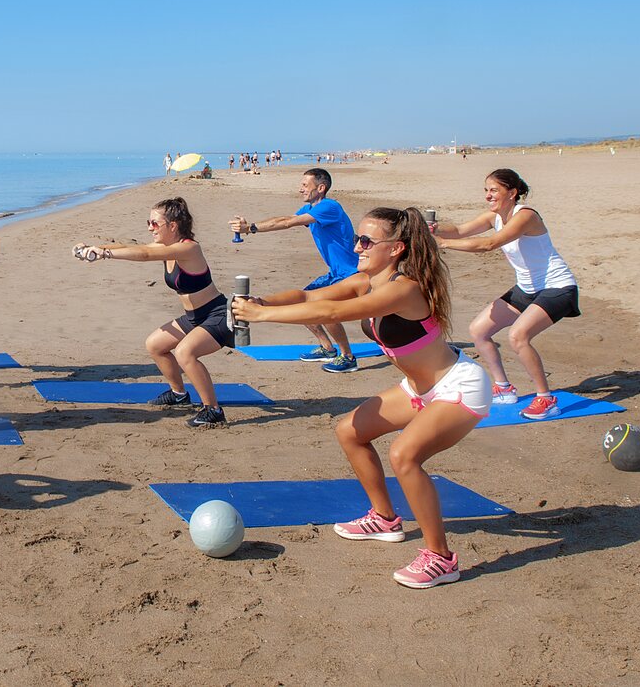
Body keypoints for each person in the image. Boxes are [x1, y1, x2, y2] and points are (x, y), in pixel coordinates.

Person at [233, 206, 489, 588]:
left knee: (404, 455)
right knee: (350, 431)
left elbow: (333, 310)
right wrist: (261, 303)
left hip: (459, 386)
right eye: (357, 238)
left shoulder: (405, 288)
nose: (357, 247)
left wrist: (261, 318)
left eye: (367, 241)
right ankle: (385, 519)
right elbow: (309, 295)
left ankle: (441, 558)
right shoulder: (365, 281)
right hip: (419, 390)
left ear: (397, 249)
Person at [432, 168, 580, 419]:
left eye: (494, 190)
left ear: (512, 193)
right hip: (527, 288)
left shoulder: (526, 216)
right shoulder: (494, 216)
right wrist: (435, 229)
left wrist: (443, 244)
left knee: (518, 336)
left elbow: (489, 244)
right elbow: (458, 230)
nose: (488, 196)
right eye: (486, 190)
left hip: (557, 287)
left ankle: (546, 399)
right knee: (479, 330)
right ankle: (504, 388)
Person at [74, 197, 233, 428]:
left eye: (154, 223)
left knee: (184, 353)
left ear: (173, 225)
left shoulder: (189, 248)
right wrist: (95, 248)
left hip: (216, 315)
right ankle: (179, 394)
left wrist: (106, 254)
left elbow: (145, 254)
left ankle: (213, 410)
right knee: (155, 345)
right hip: (194, 318)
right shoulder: (166, 247)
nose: (150, 227)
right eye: (148, 222)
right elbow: (136, 247)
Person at [229, 168, 362, 372]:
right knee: (302, 303)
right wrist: (252, 228)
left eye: (304, 185)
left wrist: (250, 228)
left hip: (351, 273)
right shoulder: (312, 208)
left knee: (325, 312)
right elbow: (284, 220)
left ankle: (348, 356)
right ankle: (327, 348)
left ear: (321, 187)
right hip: (335, 273)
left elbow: (288, 223)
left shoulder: (329, 207)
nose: (300, 189)